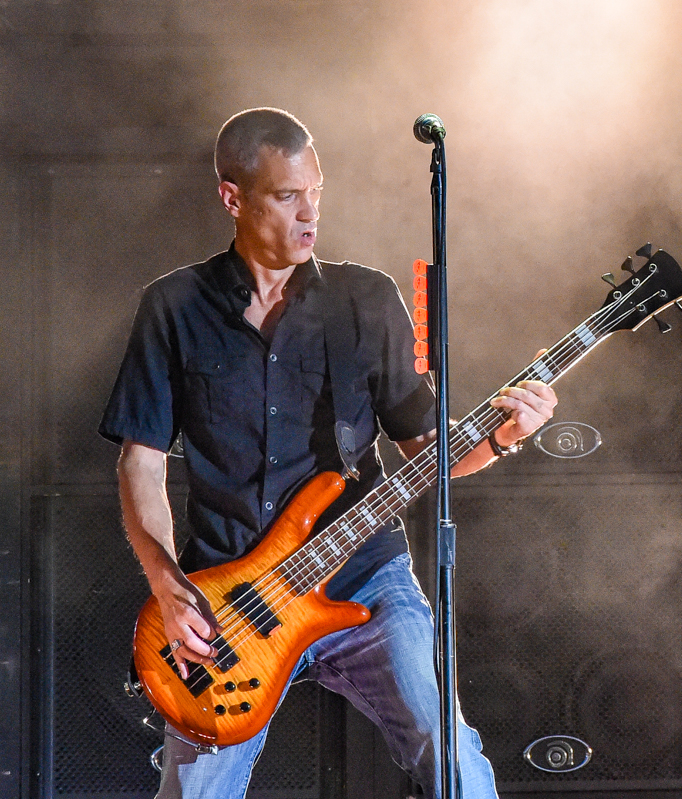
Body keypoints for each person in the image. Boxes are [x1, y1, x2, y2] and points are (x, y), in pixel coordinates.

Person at [99, 107, 557, 799]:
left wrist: (499, 437)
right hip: (229, 597)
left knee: (451, 754)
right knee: (193, 794)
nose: (310, 212)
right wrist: (167, 583)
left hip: (363, 579)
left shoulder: (365, 299)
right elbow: (141, 460)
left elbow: (423, 447)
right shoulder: (174, 306)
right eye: (287, 195)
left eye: (316, 190)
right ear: (233, 197)